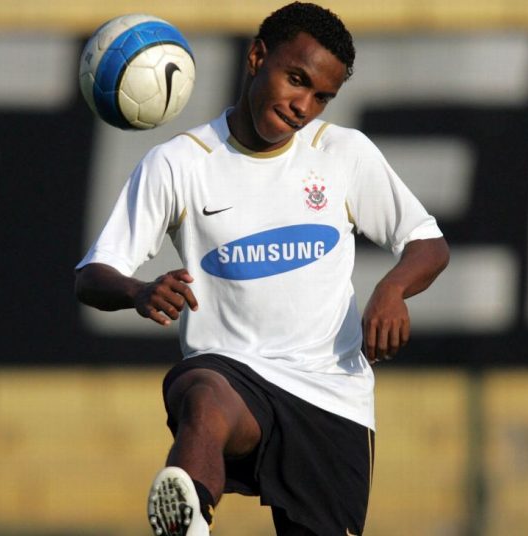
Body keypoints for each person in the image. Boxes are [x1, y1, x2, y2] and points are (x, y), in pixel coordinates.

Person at [75, 2, 450, 535]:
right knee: (203, 397)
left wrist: (392, 289)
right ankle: (188, 522)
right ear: (256, 58)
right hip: (234, 375)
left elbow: (428, 244)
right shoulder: (179, 163)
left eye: (321, 96)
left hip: (331, 394)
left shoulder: (342, 153)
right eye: (296, 79)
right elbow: (92, 275)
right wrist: (137, 290)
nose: (303, 106)